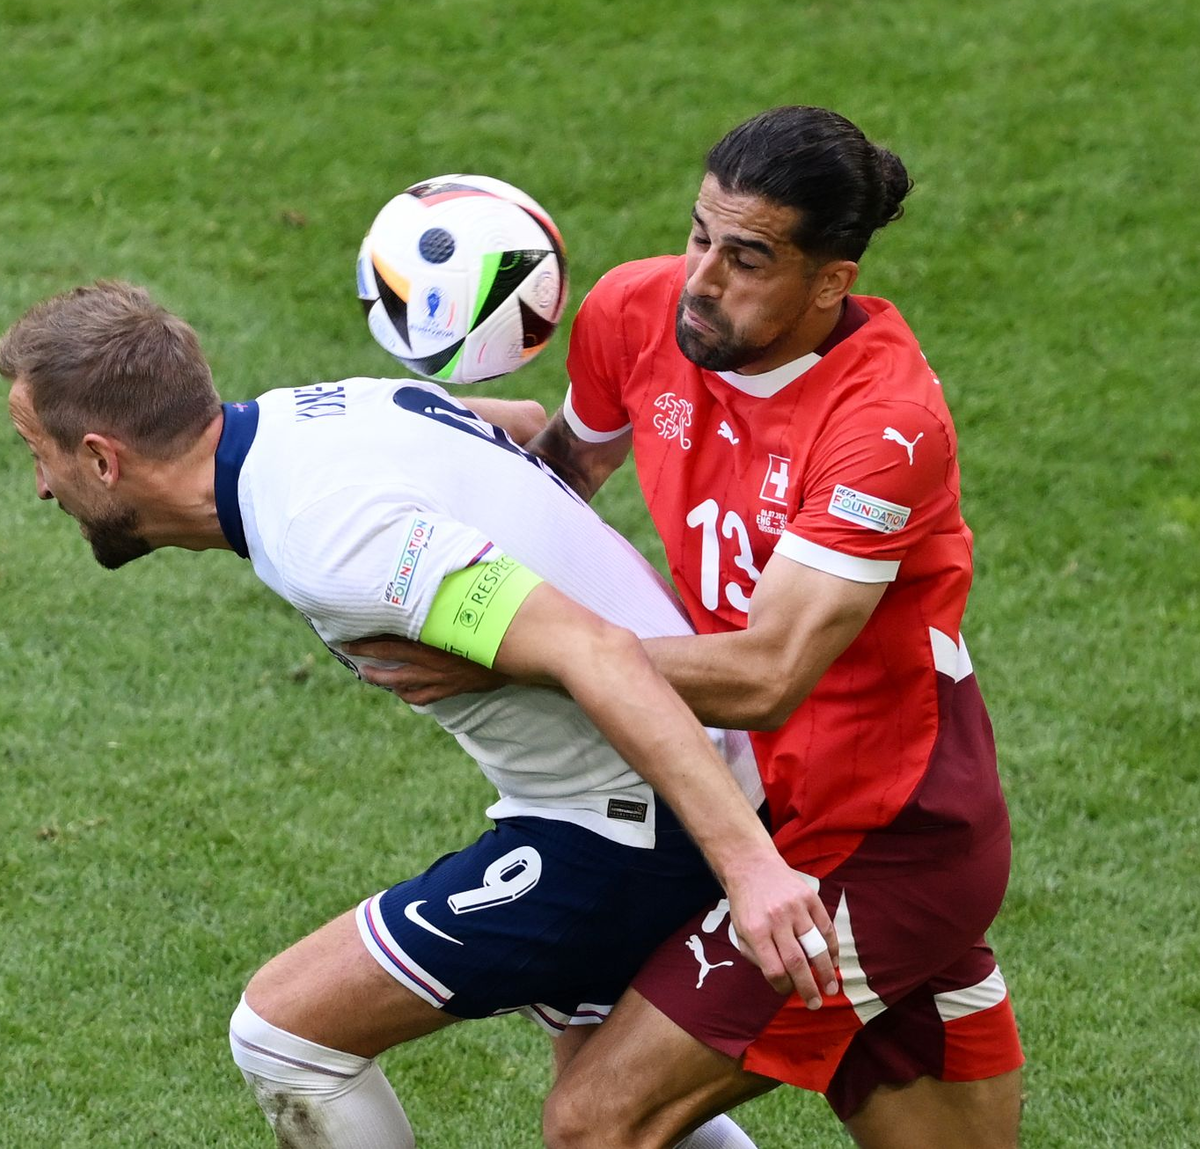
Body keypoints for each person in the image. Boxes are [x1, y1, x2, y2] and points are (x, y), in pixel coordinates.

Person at [0, 281, 837, 1149]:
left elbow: (599, 652)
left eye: (39, 453)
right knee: (611, 1111)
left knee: (283, 1034)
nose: (38, 488)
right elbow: (510, 419)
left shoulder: (329, 536)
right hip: (653, 780)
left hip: (633, 821)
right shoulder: (318, 412)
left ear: (101, 459)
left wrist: (753, 869)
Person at [357, 106, 1025, 1148]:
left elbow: (768, 675)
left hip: (883, 836)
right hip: (754, 801)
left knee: (597, 1120)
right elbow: (565, 478)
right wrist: (423, 435)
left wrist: (515, 659)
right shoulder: (636, 314)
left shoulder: (883, 426)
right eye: (699, 234)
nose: (702, 278)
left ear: (830, 280)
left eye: (747, 257)